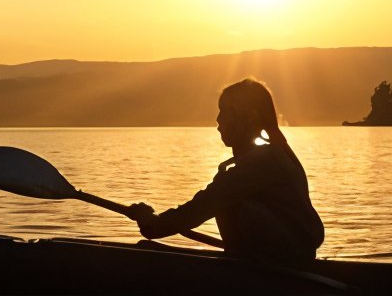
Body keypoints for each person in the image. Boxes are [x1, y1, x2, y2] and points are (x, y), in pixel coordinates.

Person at [126, 78, 325, 266]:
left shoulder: (264, 161)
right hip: (280, 258)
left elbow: (203, 206)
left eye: (225, 111)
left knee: (230, 204)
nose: (218, 119)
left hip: (282, 265)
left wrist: (152, 225)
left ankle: (247, 275)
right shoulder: (267, 156)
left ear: (251, 116)